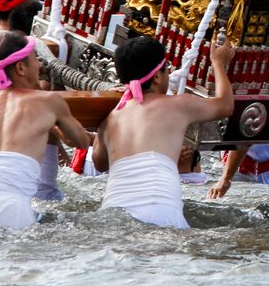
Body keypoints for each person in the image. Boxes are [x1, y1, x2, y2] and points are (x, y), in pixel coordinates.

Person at [0, 32, 90, 229]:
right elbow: (81, 143)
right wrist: (56, 129)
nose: (39, 65)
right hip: (12, 211)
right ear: (21, 68)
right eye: (35, 60)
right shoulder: (50, 101)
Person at [92, 35, 235, 227]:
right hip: (159, 211)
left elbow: (99, 163)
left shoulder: (112, 118)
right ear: (158, 76)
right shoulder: (178, 105)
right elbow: (225, 106)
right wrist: (219, 63)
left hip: (111, 212)